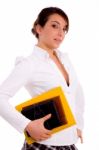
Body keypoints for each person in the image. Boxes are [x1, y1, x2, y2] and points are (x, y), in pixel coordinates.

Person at [0, 7, 84, 150]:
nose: (61, 33)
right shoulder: (29, 63)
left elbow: (77, 94)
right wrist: (26, 125)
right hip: (44, 143)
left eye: (64, 29)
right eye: (54, 26)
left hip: (69, 142)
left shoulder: (65, 59)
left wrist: (78, 125)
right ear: (38, 28)